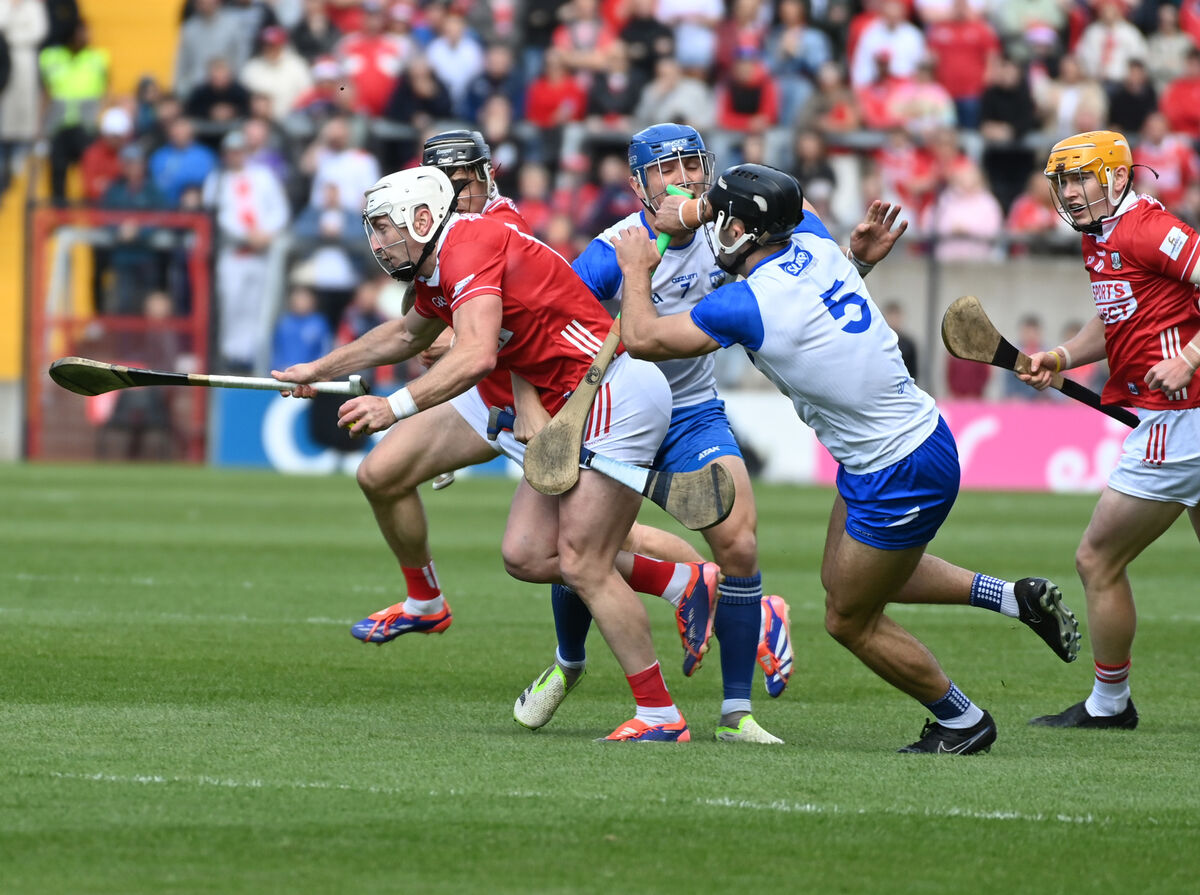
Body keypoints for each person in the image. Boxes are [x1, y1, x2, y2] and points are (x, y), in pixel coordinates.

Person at [613, 162, 1082, 754]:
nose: (715, 228)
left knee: (847, 619)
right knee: (842, 580)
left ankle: (963, 722)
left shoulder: (744, 304)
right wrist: (857, 261)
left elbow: (643, 338)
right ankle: (1013, 598)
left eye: (722, 217)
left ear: (747, 231)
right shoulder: (814, 239)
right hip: (896, 447)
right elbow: (812, 306)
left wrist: (635, 270)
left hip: (898, 467)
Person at [274, 163, 714, 743]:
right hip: (568, 404)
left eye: (385, 228)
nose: (377, 242)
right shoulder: (436, 266)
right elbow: (407, 336)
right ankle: (685, 584)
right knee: (526, 555)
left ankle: (660, 715)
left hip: (610, 392)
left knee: (584, 561)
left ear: (423, 218)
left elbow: (477, 354)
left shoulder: (469, 244)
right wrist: (318, 368)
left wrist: (394, 407)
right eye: (372, 230)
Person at [1019, 130, 1200, 730]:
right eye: (1063, 181)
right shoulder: (1102, 236)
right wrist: (1064, 358)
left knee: (1096, 559)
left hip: (1180, 420)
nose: (1070, 193)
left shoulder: (1147, 228)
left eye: (1081, 179)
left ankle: (1109, 704)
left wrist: (1190, 358)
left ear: (1118, 179)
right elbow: (1118, 313)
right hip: (1175, 417)